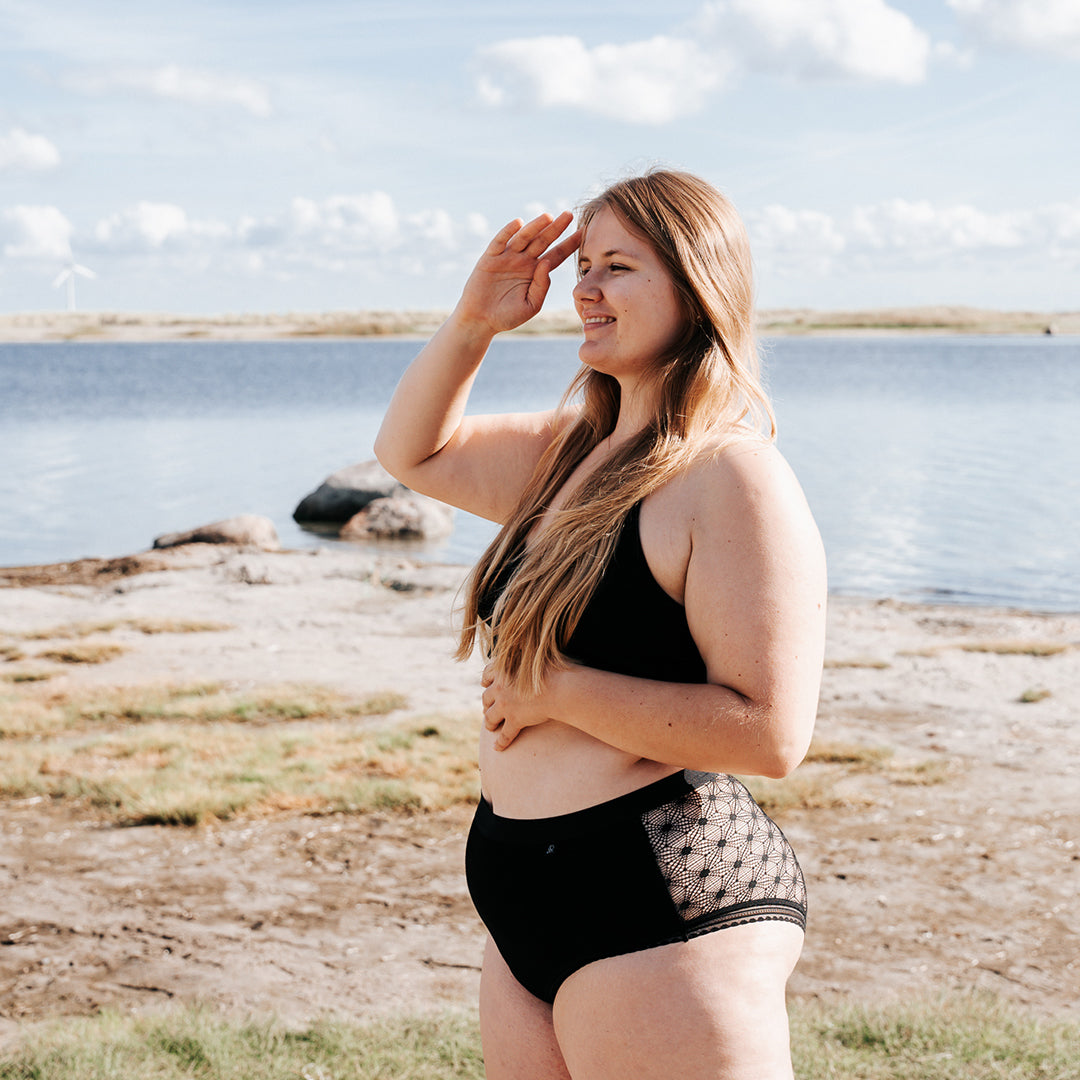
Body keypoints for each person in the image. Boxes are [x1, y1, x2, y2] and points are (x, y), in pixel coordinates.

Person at [374, 169, 826, 1080]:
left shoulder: (730, 478)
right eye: (582, 262)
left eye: (616, 266)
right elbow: (409, 452)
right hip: (522, 898)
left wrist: (558, 690)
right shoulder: (565, 452)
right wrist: (473, 324)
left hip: (658, 902)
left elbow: (771, 733)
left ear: (697, 284)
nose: (583, 288)